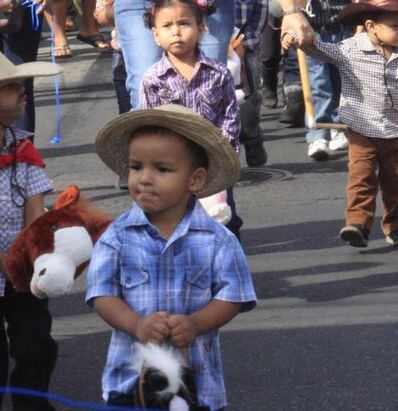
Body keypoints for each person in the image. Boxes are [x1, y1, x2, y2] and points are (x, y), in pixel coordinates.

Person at [87, 104, 257, 410]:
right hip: (129, 382)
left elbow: (233, 296)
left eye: (162, 169)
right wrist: (136, 324)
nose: (145, 178)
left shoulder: (218, 240)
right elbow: (102, 294)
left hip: (195, 384)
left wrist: (195, 323)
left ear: (195, 180)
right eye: (136, 167)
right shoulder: (116, 236)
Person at [283, 0, 398, 247]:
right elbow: (320, 50)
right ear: (371, 26)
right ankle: (357, 224)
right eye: (395, 25)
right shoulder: (350, 50)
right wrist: (296, 38)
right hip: (363, 131)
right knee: (361, 178)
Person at [139, 0, 243, 239]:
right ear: (156, 35)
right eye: (167, 26)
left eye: (184, 23)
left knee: (224, 219)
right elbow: (150, 123)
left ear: (201, 28)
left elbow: (230, 117)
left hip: (214, 163)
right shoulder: (153, 78)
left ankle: (227, 269)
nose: (176, 31)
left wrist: (221, 154)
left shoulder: (218, 73)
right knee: (175, 222)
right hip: (171, 165)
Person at [0, 53, 61, 411]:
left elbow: (35, 212)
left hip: (20, 269)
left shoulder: (22, 146)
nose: (22, 92)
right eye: (10, 86)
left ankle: (32, 406)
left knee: (36, 345)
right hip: (6, 263)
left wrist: (34, 257)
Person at [303, 0, 352, 161]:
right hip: (313, 32)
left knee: (342, 82)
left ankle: (338, 128)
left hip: (343, 29)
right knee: (318, 83)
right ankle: (318, 135)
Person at [235, 0, 269, 167]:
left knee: (249, 97)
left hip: (245, 46)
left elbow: (261, 10)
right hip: (209, 43)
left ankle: (252, 138)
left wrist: (245, 41)